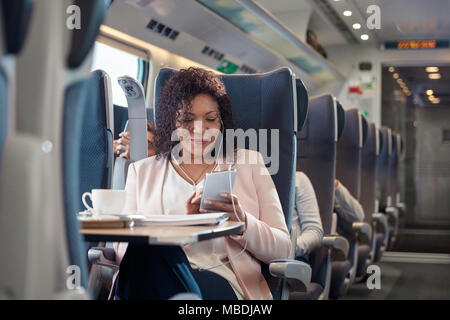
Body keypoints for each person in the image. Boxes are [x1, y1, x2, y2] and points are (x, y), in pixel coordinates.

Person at [112, 67, 291, 300]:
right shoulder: (142, 171)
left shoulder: (248, 163)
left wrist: (243, 223)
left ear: (221, 122)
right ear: (171, 122)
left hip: (220, 280)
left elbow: (284, 249)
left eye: (210, 119)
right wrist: (182, 229)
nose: (200, 129)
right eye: (187, 119)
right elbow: (120, 252)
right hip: (155, 278)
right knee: (148, 257)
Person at [291, 172, 323, 261]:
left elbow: (314, 231)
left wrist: (290, 248)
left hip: (291, 258)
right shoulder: (253, 181)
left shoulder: (297, 179)